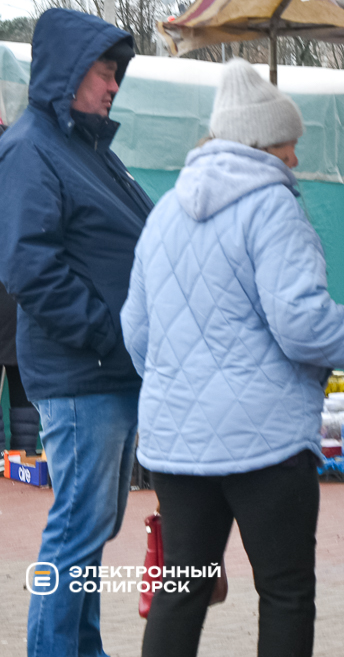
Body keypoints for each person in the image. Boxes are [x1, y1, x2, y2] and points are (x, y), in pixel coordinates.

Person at [121, 58, 344, 657]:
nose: (296, 161)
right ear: (261, 144)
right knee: (283, 592)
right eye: (290, 146)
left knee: (182, 591)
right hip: (266, 445)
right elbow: (302, 325)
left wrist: (183, 387)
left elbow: (136, 332)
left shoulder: (165, 211)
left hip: (177, 445)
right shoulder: (272, 207)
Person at [0, 9, 153, 657]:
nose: (114, 84)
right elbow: (29, 265)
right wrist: (109, 335)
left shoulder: (86, 148)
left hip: (108, 370)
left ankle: (81, 649)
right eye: (103, 71)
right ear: (66, 73)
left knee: (92, 528)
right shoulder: (31, 148)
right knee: (75, 530)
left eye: (118, 72)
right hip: (83, 370)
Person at [0, 281, 41, 456]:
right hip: (21, 307)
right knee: (23, 392)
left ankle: (22, 460)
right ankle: (24, 460)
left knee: (23, 391)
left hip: (18, 308)